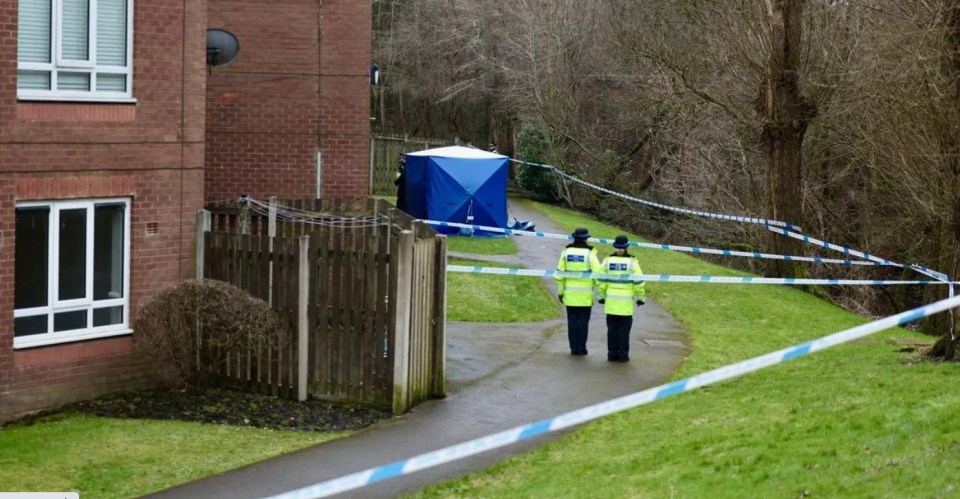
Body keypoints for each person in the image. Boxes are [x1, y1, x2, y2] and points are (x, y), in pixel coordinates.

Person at [598, 235, 645, 362]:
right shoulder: (632, 263)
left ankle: (611, 355)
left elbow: (601, 280)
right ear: (627, 247)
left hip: (611, 304)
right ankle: (623, 356)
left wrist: (602, 296)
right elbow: (639, 282)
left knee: (612, 330)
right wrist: (641, 298)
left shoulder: (607, 261)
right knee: (624, 332)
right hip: (625, 305)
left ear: (614, 246)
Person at [555, 227, 602, 356]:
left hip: (570, 295)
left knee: (572, 322)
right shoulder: (590, 253)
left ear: (574, 237)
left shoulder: (566, 252)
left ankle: (573, 348)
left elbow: (559, 275)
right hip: (585, 296)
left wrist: (560, 292)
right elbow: (597, 274)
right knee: (583, 323)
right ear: (586, 239)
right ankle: (581, 348)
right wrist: (600, 291)